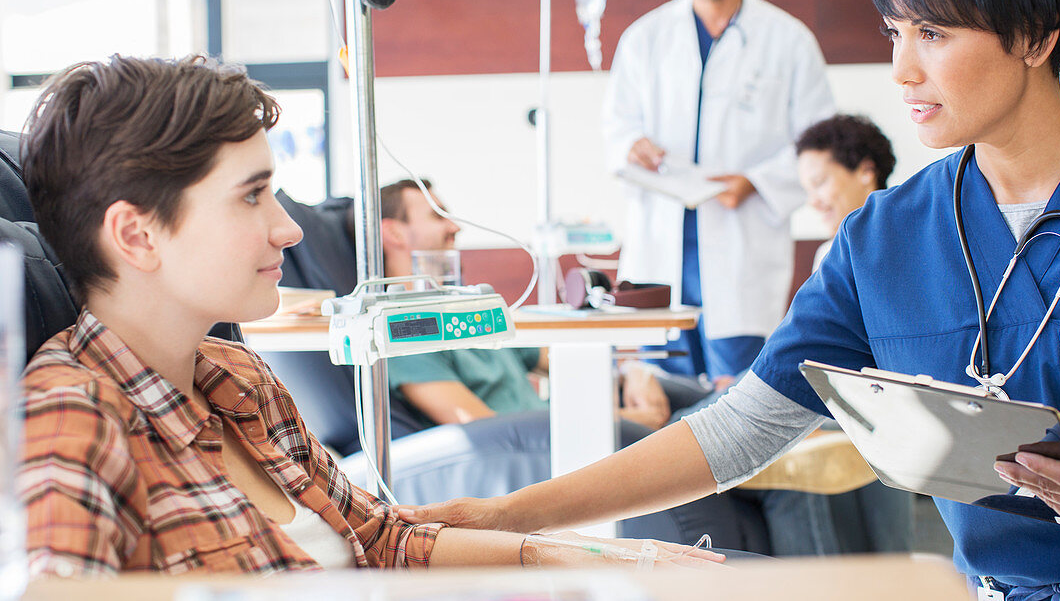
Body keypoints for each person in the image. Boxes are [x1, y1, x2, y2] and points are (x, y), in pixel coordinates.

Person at [399, 0, 1060, 595]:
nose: (902, 69)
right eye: (896, 31)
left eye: (935, 33)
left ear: (1037, 36)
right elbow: (740, 428)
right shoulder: (884, 239)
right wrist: (511, 513)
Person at [15, 55, 720, 576]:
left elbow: (385, 541)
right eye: (252, 196)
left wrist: (611, 560)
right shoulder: (73, 422)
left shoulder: (238, 380)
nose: (289, 229)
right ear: (137, 235)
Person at [604, 0, 835, 387]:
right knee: (658, 400)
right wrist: (631, 145)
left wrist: (754, 181)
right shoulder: (645, 38)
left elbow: (818, 144)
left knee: (739, 404)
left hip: (740, 244)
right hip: (662, 246)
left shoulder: (788, 40)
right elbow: (616, 126)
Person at [377, 179, 672, 432]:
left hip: (564, 425)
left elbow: (563, 360)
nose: (454, 226)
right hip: (543, 449)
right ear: (394, 233)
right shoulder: (404, 330)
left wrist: (634, 372)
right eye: (437, 216)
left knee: (702, 403)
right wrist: (625, 419)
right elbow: (490, 432)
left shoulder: (469, 309)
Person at [795, 114, 896, 269]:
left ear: (866, 171)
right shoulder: (828, 256)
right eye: (808, 190)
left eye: (819, 183)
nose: (813, 202)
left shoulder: (909, 238)